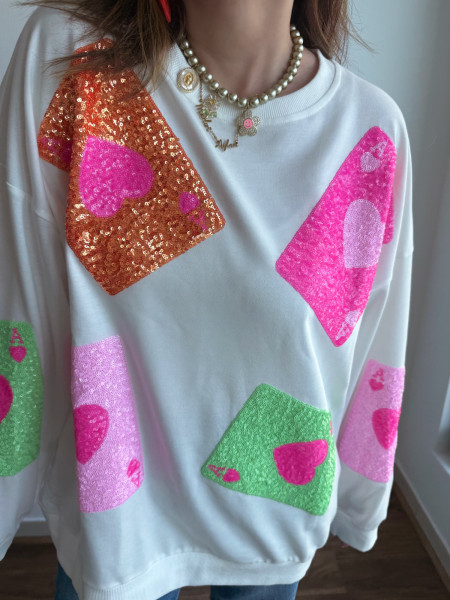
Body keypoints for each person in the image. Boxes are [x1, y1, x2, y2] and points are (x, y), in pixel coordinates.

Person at [0, 1, 414, 599]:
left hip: (273, 519)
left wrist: (361, 497)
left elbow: (378, 339)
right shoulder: (75, 63)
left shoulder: (369, 131)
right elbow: (18, 306)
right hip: (117, 531)